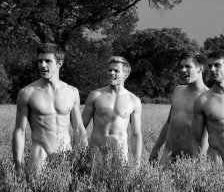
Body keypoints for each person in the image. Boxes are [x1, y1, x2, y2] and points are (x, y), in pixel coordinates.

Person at [12, 43, 86, 174]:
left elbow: (78, 129)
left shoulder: (72, 92)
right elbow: (20, 131)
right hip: (39, 156)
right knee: (35, 188)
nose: (42, 65)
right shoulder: (27, 93)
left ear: (59, 64)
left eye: (47, 61)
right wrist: (18, 166)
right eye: (40, 61)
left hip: (65, 155)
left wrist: (83, 160)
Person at [149, 52, 210, 166]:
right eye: (181, 66)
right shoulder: (177, 90)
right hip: (168, 155)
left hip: (192, 159)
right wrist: (155, 149)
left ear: (199, 68)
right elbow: (169, 123)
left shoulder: (208, 97)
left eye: (187, 66)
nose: (183, 70)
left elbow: (207, 134)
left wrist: (198, 162)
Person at [81, 56, 143, 165]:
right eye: (110, 70)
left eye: (116, 70)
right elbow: (81, 127)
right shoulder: (95, 95)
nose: (111, 73)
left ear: (125, 75)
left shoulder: (134, 100)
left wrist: (136, 164)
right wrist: (79, 155)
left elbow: (136, 134)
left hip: (120, 156)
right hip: (96, 154)